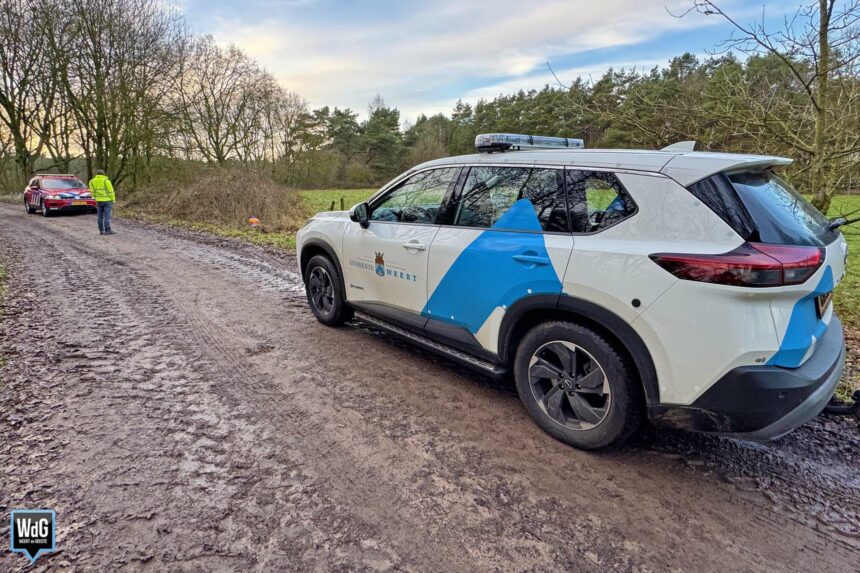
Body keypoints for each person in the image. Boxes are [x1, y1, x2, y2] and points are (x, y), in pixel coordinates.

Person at [89, 169, 116, 235]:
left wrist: (96, 198)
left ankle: (101, 230)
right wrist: (113, 200)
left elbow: (92, 192)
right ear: (103, 174)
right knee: (107, 216)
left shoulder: (91, 182)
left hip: (98, 201)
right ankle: (107, 230)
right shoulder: (106, 181)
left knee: (100, 216)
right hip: (107, 201)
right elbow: (111, 192)